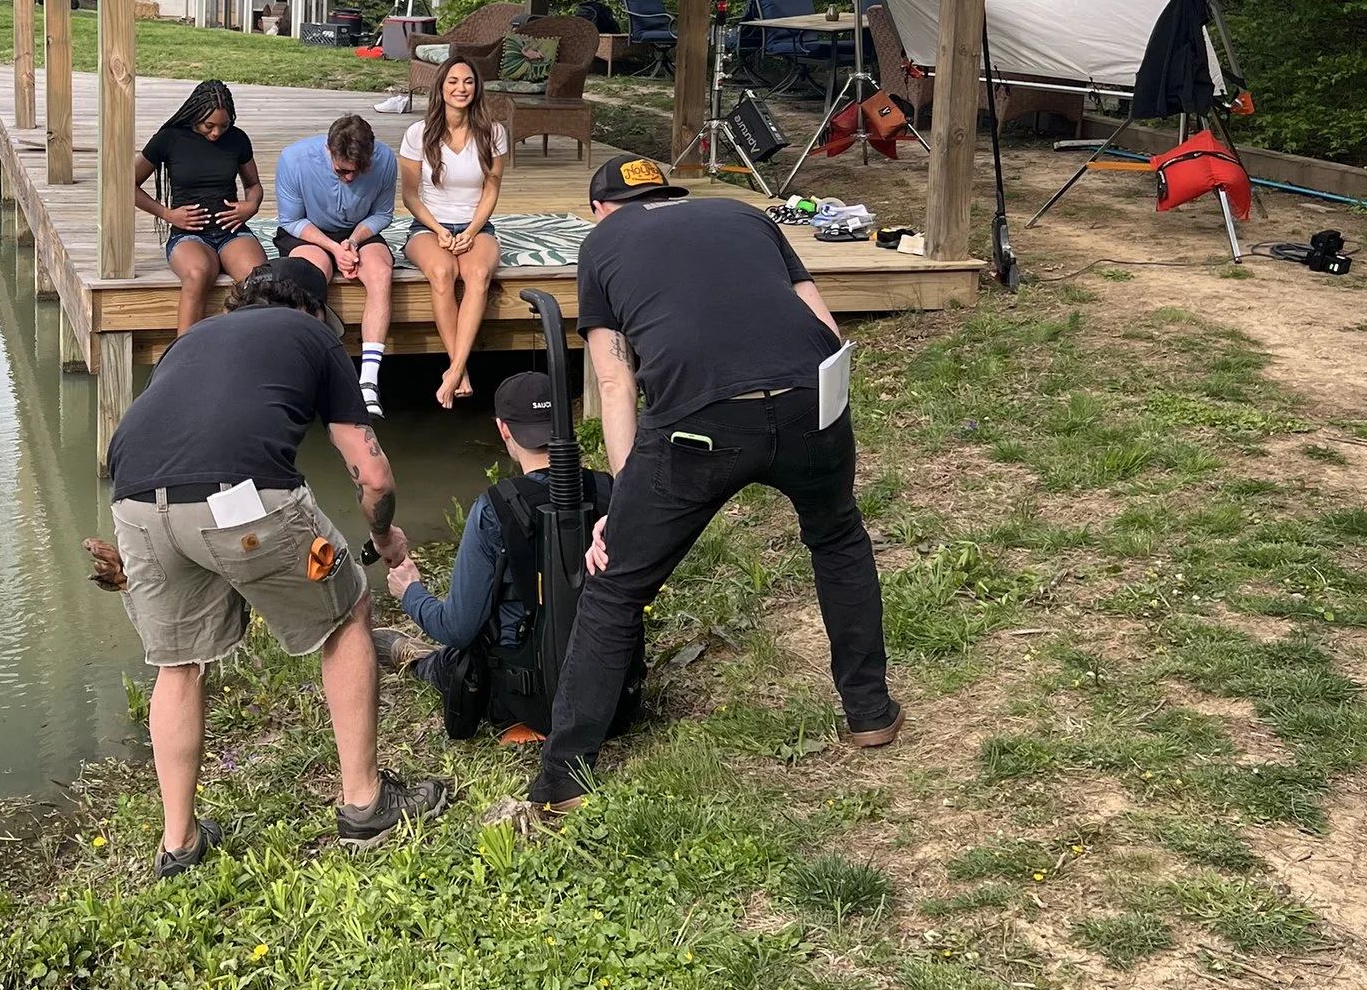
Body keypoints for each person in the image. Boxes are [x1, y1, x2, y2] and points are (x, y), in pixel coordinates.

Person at [522, 156, 901, 818]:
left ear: (600, 208)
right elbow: (825, 325)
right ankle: (869, 711)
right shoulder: (742, 215)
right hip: (811, 395)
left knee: (616, 588)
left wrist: (622, 498)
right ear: (671, 195)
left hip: (699, 422)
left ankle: (564, 777)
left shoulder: (601, 243)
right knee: (837, 537)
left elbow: (614, 381)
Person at [102, 256, 449, 872]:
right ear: (316, 308)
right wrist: (384, 533)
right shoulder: (313, 335)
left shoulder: (195, 338)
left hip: (134, 503)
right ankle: (366, 805)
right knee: (347, 616)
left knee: (178, 665)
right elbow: (370, 472)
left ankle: (178, 845)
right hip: (238, 502)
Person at [375, 372, 621, 735]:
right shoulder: (609, 490)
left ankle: (421, 662)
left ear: (503, 429)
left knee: (460, 652)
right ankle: (424, 658)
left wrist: (410, 591)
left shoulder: (495, 509)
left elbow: (456, 627)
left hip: (532, 701)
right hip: (615, 698)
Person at [400, 58, 507, 410]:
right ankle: (459, 369)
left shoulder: (493, 133)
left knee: (477, 274)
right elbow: (411, 196)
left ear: (477, 88)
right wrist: (438, 229)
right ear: (441, 88)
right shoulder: (419, 133)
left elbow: (491, 190)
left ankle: (456, 368)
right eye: (453, 82)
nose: (461, 88)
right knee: (444, 272)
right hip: (429, 226)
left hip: (476, 225)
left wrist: (473, 230)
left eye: (468, 82)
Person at [274, 115, 397, 416]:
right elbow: (290, 220)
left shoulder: (386, 159)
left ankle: (368, 381)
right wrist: (332, 249)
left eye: (359, 171)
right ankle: (310, 372)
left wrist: (353, 242)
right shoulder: (294, 159)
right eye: (342, 171)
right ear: (329, 150)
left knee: (381, 271)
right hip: (308, 231)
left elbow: (383, 214)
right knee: (312, 272)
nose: (350, 178)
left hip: (358, 231)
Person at [136, 80, 267, 334]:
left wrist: (250, 206)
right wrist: (167, 213)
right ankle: (186, 355)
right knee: (197, 274)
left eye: (224, 125)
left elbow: (254, 185)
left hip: (232, 232)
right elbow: (128, 185)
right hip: (189, 236)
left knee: (259, 280)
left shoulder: (237, 139)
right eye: (209, 126)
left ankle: (249, 347)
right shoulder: (169, 139)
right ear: (196, 115)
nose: (217, 133)